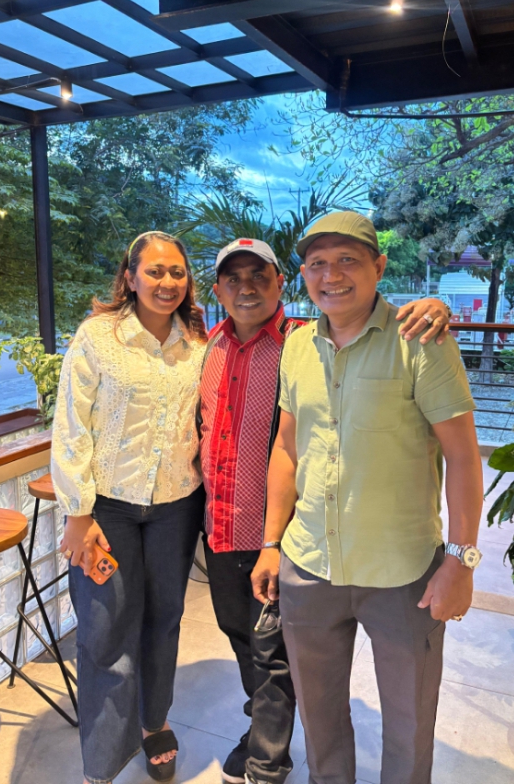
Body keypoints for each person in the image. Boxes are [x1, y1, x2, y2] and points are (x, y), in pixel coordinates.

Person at [199, 236, 452, 784]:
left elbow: (458, 451)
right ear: (217, 291)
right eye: (233, 279)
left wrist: (436, 306)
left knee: (292, 663)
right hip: (244, 530)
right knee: (257, 651)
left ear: (280, 283)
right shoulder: (208, 345)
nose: (246, 289)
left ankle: (267, 757)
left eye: (259, 276)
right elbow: (272, 444)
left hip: (361, 548)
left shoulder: (308, 338)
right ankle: (265, 742)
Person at [251, 212, 484, 784]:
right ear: (303, 274)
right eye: (317, 263)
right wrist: (272, 543)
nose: (331, 275)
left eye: (347, 260)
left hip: (401, 573)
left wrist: (461, 560)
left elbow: (462, 456)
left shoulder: (421, 342)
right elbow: (287, 449)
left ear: (378, 267)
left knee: (409, 721)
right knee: (320, 718)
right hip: (310, 565)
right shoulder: (297, 346)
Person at [51, 231, 207, 784]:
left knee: (164, 622)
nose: (167, 282)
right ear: (130, 277)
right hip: (107, 510)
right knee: (104, 632)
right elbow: (71, 426)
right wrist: (77, 513)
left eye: (177, 272)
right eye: (155, 271)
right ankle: (100, 763)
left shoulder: (199, 343)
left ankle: (153, 723)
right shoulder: (98, 337)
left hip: (175, 507)